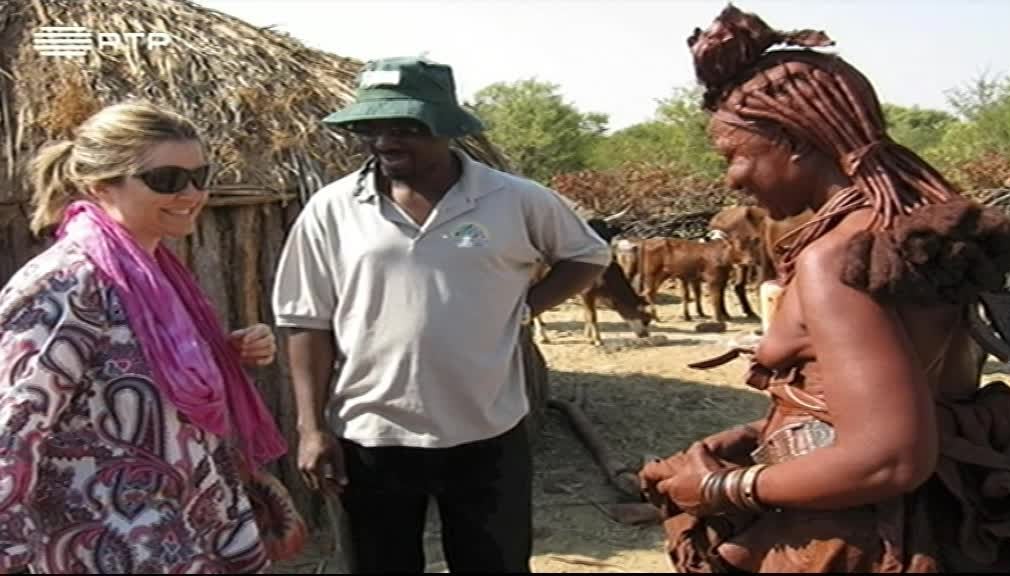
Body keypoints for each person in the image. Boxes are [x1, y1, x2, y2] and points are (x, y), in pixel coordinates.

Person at [638, 6, 1010, 573]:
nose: (733, 179)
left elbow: (890, 458)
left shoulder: (835, 259)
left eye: (735, 155)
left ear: (795, 140)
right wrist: (761, 439)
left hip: (864, 536)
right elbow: (913, 395)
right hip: (942, 519)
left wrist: (725, 487)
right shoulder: (912, 230)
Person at [272, 56, 611, 573]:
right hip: (372, 435)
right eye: (373, 127)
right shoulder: (332, 209)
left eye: (406, 126)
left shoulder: (513, 199)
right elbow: (305, 320)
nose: (385, 141)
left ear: (448, 128)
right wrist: (310, 428)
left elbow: (587, 254)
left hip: (487, 431)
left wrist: (525, 308)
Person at [0, 101, 303, 574]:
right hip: (109, 544)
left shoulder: (155, 277)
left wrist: (224, 353)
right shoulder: (65, 283)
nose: (191, 193)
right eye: (166, 179)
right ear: (102, 185)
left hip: (187, 529)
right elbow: (14, 425)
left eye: (200, 176)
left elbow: (134, 377)